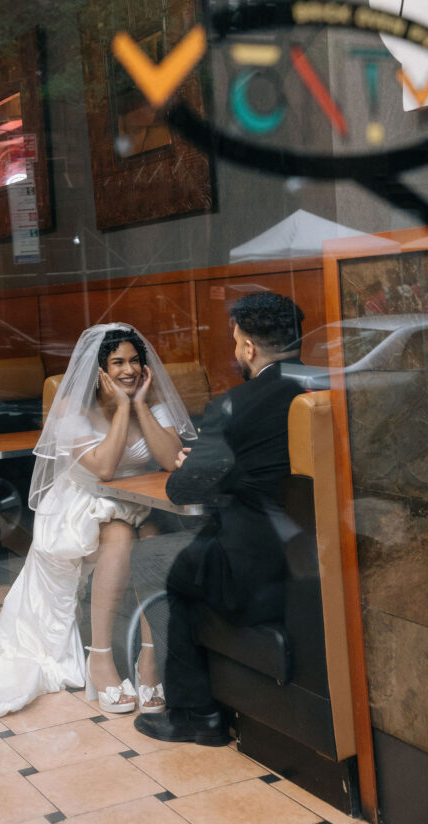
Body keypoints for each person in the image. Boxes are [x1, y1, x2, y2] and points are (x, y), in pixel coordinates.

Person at [0, 322, 196, 720]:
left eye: (134, 361)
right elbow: (104, 469)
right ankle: (101, 659)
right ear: (99, 370)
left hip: (137, 500)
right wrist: (121, 412)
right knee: (119, 537)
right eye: (117, 363)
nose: (128, 371)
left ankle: (149, 663)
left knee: (154, 535)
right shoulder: (72, 409)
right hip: (81, 503)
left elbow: (168, 460)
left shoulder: (151, 400)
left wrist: (142, 405)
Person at [130, 291, 305, 745]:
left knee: (153, 558)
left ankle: (195, 715)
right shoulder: (324, 387)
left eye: (235, 341)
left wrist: (201, 466)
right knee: (188, 563)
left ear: (248, 347)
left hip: (259, 572)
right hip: (314, 557)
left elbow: (181, 490)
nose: (235, 351)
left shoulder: (235, 407)